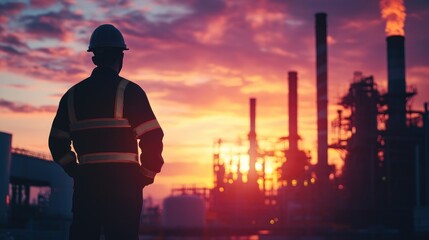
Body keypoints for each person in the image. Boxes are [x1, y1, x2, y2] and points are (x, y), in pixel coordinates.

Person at [48, 24, 164, 240]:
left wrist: (75, 171)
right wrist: (145, 175)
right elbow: (152, 137)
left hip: (87, 187)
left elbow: (56, 142)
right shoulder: (130, 92)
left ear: (94, 59)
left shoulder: (72, 96)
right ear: (121, 57)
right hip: (124, 187)